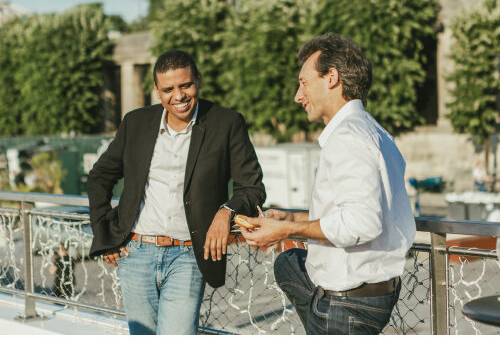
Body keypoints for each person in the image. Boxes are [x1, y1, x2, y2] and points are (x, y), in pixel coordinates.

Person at [240, 33, 416, 335]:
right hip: (368, 294)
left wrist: (285, 231)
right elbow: (353, 212)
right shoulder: (375, 131)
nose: (298, 96)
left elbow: (361, 224)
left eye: (304, 83)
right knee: (288, 263)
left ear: (331, 78)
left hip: (349, 303)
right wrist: (291, 219)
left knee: (290, 262)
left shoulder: (347, 138)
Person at [87, 49, 266, 335]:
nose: (179, 96)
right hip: (135, 252)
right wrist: (104, 235)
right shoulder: (135, 123)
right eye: (168, 89)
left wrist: (226, 212)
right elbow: (99, 177)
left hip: (188, 255)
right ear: (157, 90)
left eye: (185, 85)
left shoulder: (226, 123)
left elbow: (252, 187)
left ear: (199, 81)